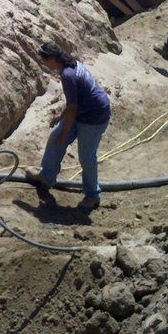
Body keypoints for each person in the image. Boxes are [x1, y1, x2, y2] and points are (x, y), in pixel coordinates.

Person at [24, 42, 112, 211]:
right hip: (83, 111)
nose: (44, 64)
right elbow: (74, 102)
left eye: (44, 60)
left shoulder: (68, 75)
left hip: (95, 117)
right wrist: (61, 118)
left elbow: (73, 107)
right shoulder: (71, 64)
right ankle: (46, 177)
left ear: (51, 58)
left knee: (86, 157)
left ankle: (92, 195)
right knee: (55, 138)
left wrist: (65, 134)